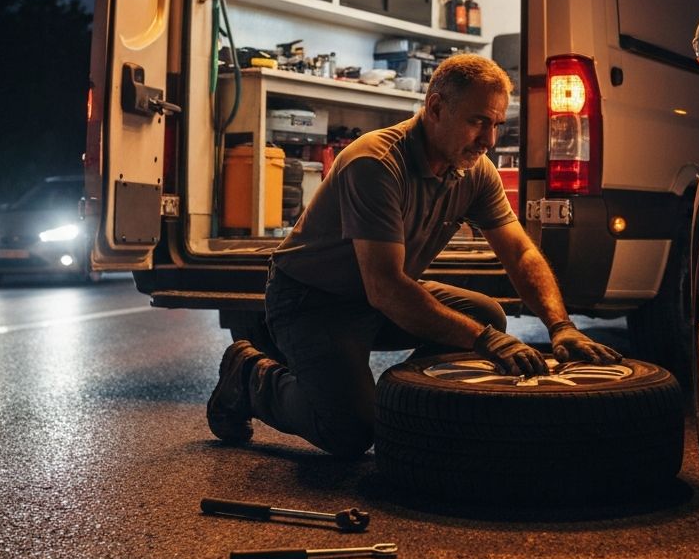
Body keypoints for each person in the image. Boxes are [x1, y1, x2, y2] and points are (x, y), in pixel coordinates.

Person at [207, 53, 621, 456]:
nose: (490, 140)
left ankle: (403, 404)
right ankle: (248, 375)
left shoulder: (474, 170)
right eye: (478, 121)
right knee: (349, 431)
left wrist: (560, 325)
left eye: (496, 124)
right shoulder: (375, 163)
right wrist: (486, 343)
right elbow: (386, 288)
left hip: (377, 297)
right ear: (436, 108)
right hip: (312, 301)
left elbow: (519, 253)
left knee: (485, 316)